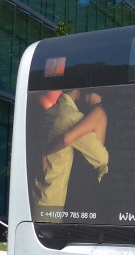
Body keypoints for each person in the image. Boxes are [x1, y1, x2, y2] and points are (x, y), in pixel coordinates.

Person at [30, 88, 109, 217]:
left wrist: (44, 152)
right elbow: (102, 159)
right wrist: (101, 174)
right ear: (77, 90)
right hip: (56, 198)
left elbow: (65, 139)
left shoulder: (50, 112)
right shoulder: (72, 116)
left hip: (40, 193)